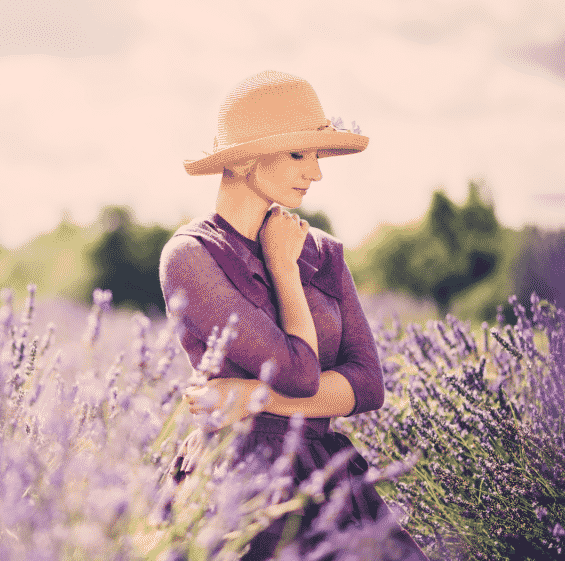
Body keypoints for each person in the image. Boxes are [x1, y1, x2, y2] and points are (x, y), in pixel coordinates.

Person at [158, 71, 428, 560]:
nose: (317, 172)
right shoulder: (191, 255)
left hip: (326, 473)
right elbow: (300, 373)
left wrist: (252, 397)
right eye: (299, 154)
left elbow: (368, 385)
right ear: (242, 159)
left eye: (318, 155)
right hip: (239, 477)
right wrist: (283, 267)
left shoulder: (323, 252)